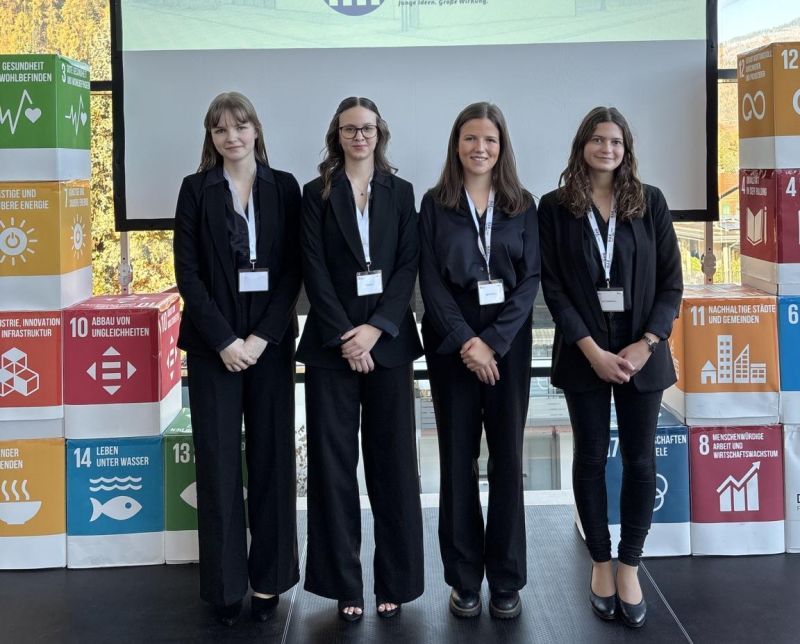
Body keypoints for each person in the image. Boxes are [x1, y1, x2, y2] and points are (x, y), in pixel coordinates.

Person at [538, 106, 682, 628]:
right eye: (598, 139)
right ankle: (600, 563)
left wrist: (647, 342)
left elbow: (671, 284)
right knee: (592, 457)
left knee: (641, 462)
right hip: (585, 355)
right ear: (583, 145)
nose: (607, 149)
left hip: (643, 352)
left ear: (627, 149)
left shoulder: (651, 202)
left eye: (616, 141)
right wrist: (592, 351)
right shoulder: (555, 207)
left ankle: (630, 566)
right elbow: (553, 287)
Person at [173, 91, 301, 626]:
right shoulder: (195, 190)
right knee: (219, 465)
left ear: (256, 130)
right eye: (221, 129)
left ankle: (269, 581)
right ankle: (225, 588)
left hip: (269, 346)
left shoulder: (285, 187)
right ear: (211, 136)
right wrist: (226, 341)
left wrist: (260, 338)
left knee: (273, 461)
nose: (232, 137)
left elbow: (294, 269)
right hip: (213, 349)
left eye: (240, 126)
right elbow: (187, 274)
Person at [297, 96, 424, 622]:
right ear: (337, 135)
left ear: (379, 133)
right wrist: (348, 337)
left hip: (388, 344)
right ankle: (344, 585)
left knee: (393, 467)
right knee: (333, 470)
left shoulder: (402, 192)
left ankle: (396, 582)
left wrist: (375, 331)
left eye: (367, 128)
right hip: (332, 348)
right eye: (349, 129)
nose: (359, 137)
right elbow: (312, 268)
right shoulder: (315, 194)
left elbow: (408, 265)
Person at [418, 102, 540, 619]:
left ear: (501, 145)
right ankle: (464, 578)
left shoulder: (522, 204)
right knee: (458, 460)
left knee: (507, 460)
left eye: (489, 139)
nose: (480, 148)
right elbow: (430, 280)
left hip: (507, 345)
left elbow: (530, 280)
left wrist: (493, 342)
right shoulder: (435, 204)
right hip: (452, 347)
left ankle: (507, 579)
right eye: (470, 138)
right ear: (456, 144)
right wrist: (469, 342)